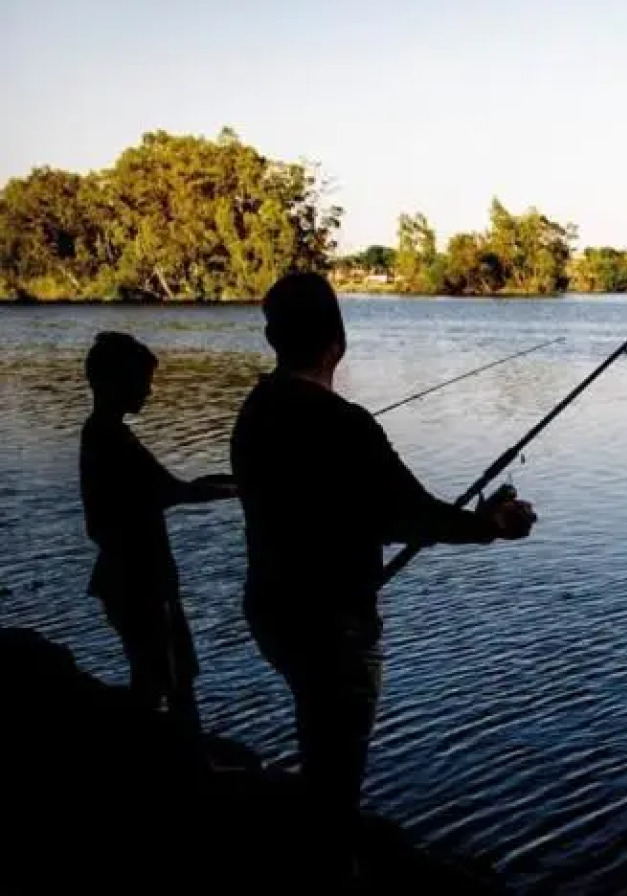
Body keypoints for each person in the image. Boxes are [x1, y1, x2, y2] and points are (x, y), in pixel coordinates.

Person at [230, 272, 535, 872]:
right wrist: (493, 525)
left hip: (270, 610)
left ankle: (312, 846)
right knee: (336, 775)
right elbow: (409, 514)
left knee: (317, 745)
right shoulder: (345, 424)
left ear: (272, 338)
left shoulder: (256, 410)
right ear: (337, 341)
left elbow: (353, 510)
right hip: (332, 626)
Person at [79, 331, 237, 736]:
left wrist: (234, 483)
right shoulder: (110, 437)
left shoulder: (104, 432)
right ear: (115, 382)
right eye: (142, 381)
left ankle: (178, 756)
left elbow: (168, 487)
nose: (149, 391)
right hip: (139, 581)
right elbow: (173, 491)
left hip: (132, 577)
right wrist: (238, 489)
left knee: (164, 674)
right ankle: (185, 761)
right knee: (166, 678)